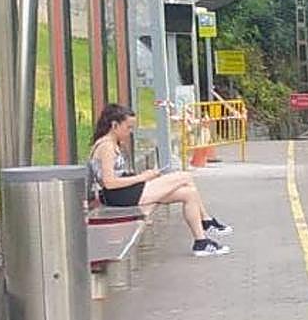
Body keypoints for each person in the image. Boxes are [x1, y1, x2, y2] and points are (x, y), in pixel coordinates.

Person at [89, 103, 233, 257]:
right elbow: (109, 182)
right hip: (119, 195)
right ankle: (206, 220)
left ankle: (201, 242)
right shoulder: (106, 146)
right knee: (185, 176)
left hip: (125, 192)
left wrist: (142, 177)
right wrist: (142, 177)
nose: (130, 132)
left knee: (189, 194)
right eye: (128, 127)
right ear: (114, 125)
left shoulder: (112, 144)